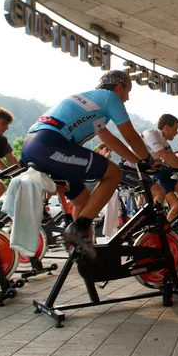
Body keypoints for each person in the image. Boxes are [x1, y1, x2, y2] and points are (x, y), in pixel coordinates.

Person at [20, 70, 151, 259]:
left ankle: (82, 249)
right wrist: (148, 159)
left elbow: (111, 140)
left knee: (82, 200)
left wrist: (138, 162)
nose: (127, 98)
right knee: (113, 173)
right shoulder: (109, 97)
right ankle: (78, 230)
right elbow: (129, 134)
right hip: (50, 144)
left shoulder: (94, 103)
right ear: (119, 87)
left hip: (33, 144)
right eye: (127, 92)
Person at [134, 114, 178, 222]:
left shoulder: (163, 141)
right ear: (166, 128)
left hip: (142, 170)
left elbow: (173, 157)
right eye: (175, 129)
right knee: (159, 193)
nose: (177, 132)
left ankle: (158, 224)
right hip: (129, 168)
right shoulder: (151, 134)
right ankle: (151, 224)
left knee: (162, 193)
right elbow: (166, 156)